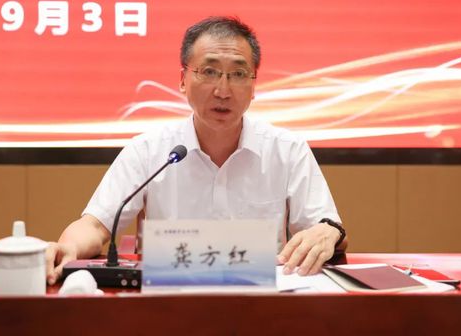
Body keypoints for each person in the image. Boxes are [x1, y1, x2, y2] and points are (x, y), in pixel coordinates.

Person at [46, 16, 347, 285]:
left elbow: (326, 229)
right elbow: (95, 226)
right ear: (182, 80)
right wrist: (67, 247)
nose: (223, 91)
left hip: (262, 305)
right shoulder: (148, 151)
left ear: (254, 86)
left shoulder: (288, 150)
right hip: (170, 304)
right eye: (209, 72)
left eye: (238, 74)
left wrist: (328, 232)